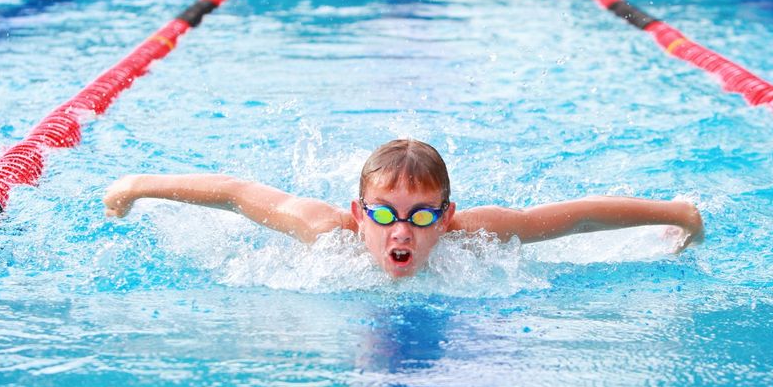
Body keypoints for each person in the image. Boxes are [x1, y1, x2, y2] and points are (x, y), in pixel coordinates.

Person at [103, 139, 704, 279]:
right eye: (385, 213)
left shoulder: (477, 236)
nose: (403, 230)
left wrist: (676, 213)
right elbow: (235, 193)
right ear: (359, 213)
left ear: (445, 217)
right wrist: (137, 186)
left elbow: (577, 216)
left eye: (421, 215)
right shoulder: (323, 232)